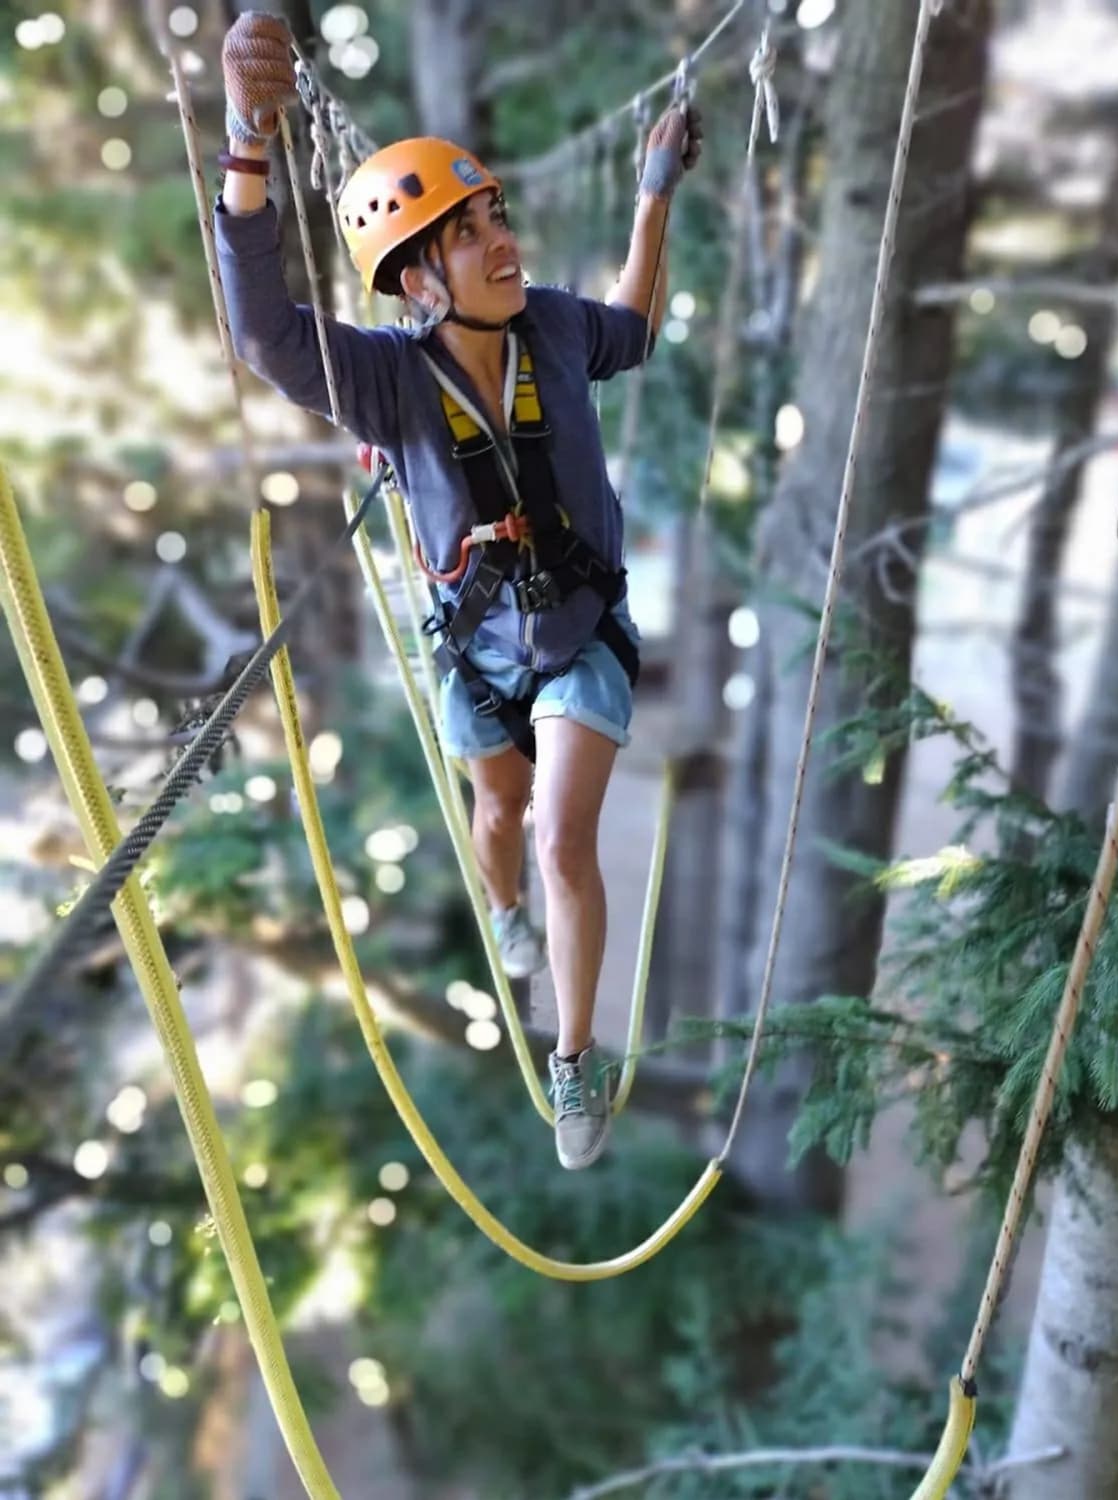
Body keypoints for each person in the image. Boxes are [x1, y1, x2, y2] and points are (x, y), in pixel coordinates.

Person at [216, 12, 702, 1170]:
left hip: (581, 632)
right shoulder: (386, 383)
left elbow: (634, 325)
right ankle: (506, 919)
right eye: (467, 233)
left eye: (495, 218)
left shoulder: (558, 329)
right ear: (418, 279)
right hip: (477, 645)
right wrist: (246, 137)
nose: (501, 242)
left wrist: (653, 195)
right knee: (502, 820)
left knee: (561, 837)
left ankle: (573, 1056)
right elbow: (263, 333)